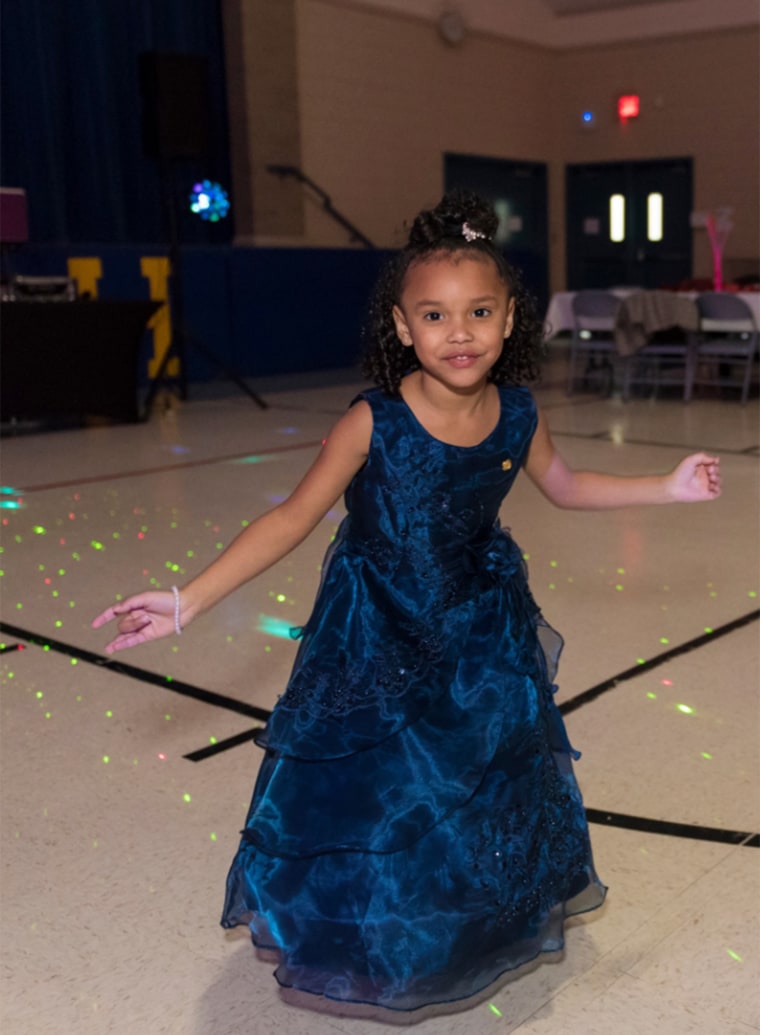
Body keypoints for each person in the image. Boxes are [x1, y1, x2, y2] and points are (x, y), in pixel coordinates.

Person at [92, 190, 721, 1013]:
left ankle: (466, 915)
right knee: (382, 785)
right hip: (376, 622)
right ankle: (373, 924)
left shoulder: (519, 412)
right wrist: (188, 599)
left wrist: (666, 487)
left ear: (508, 321)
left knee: (473, 775)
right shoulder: (374, 420)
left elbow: (565, 486)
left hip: (480, 620)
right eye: (434, 315)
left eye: (478, 312)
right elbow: (291, 515)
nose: (458, 333)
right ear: (401, 326)